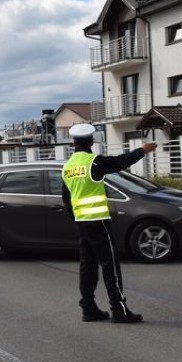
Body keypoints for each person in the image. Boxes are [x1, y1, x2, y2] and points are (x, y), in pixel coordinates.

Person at [61, 124, 157, 324]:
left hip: (82, 223)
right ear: (91, 142)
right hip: (98, 222)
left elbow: (66, 198)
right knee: (110, 266)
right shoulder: (94, 162)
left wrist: (77, 219)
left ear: (73, 143)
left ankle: (88, 308)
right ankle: (118, 310)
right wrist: (143, 150)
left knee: (87, 266)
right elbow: (121, 162)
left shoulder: (68, 166)